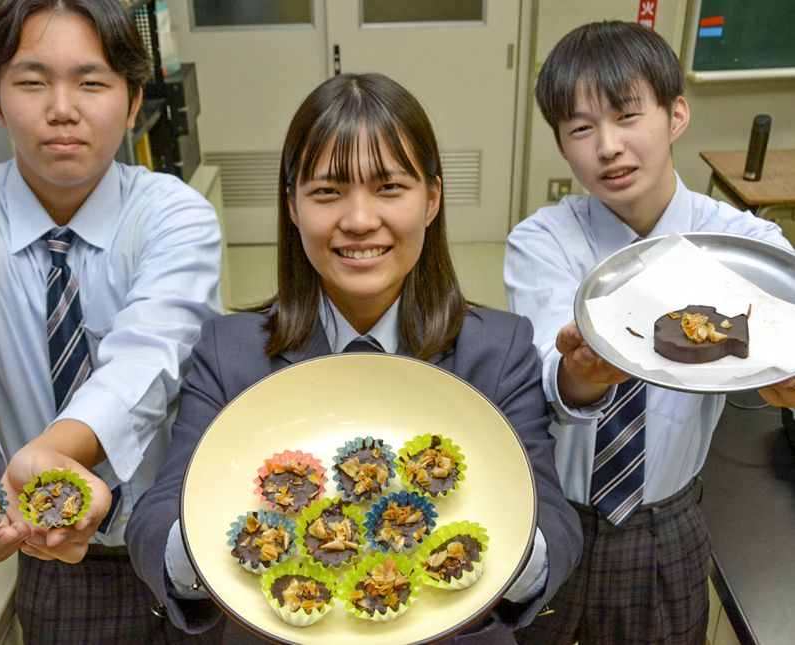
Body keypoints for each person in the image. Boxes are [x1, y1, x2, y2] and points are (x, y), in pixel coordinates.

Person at [126, 72, 582, 644]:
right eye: (327, 191)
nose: (360, 219)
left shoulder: (502, 347)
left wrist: (509, 537)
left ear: (433, 198)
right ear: (291, 205)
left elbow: (558, 524)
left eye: (390, 187)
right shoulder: (229, 350)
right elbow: (155, 516)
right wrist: (209, 542)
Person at [0, 0, 223, 641]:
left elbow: (149, 354)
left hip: (180, 526)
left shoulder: (173, 215)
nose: (62, 107)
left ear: (132, 103)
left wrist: (49, 452)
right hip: (48, 547)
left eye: (91, 81)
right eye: (32, 80)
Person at [504, 21, 795, 644]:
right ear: (561, 144)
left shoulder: (749, 248)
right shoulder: (543, 242)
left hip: (668, 521)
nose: (608, 146)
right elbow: (546, 377)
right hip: (555, 515)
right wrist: (579, 376)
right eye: (581, 128)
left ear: (676, 114)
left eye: (628, 115)